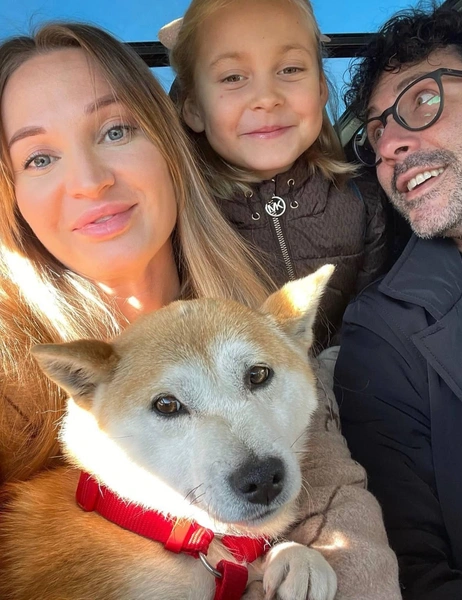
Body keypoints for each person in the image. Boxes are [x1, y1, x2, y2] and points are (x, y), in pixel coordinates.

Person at [0, 22, 401, 600]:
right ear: (11, 194)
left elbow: (336, 507)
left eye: (115, 130)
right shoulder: (12, 372)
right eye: (39, 158)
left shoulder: (257, 298)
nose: (90, 181)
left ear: (170, 146)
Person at [334, 5, 462, 599]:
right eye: (375, 133)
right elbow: (415, 576)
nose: (391, 145)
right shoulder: (383, 333)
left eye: (423, 100)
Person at [159, 0, 388, 350]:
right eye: (233, 77)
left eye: (290, 69)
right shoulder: (179, 223)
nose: (266, 98)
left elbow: (375, 324)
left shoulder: (365, 203)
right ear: (194, 108)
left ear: (321, 89)